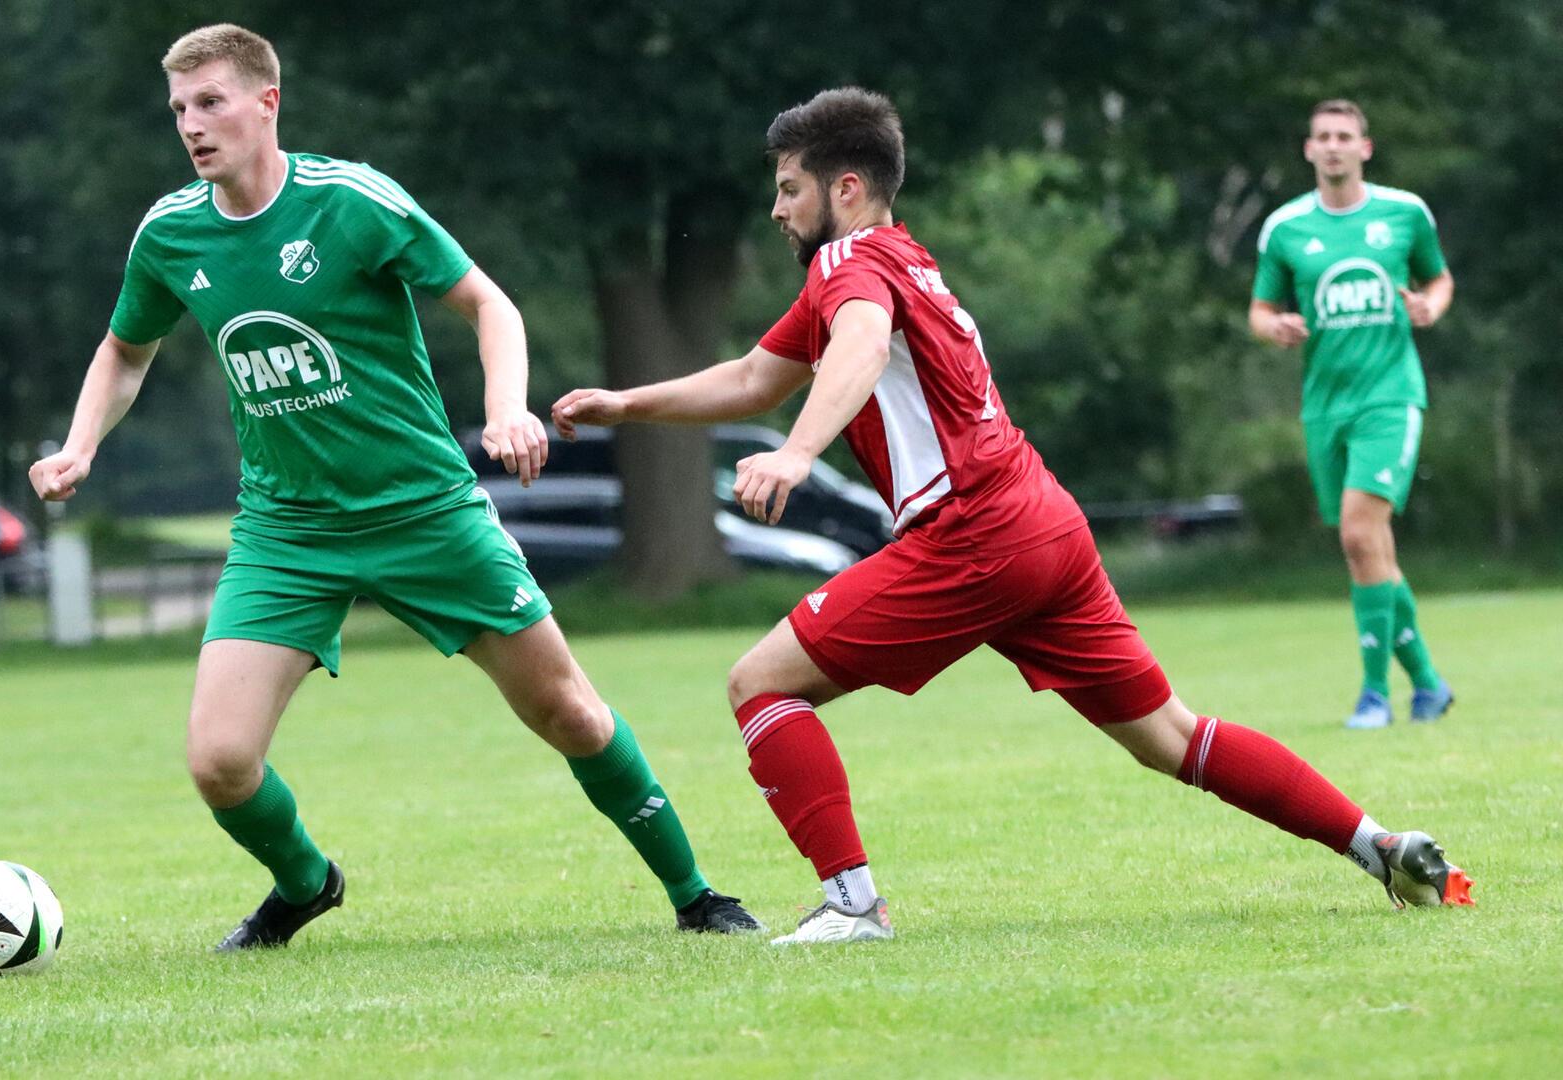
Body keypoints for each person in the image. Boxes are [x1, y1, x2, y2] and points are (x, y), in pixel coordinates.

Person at [552, 88, 1472, 944]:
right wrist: (629, 406)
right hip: (1045, 521)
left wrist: (797, 454)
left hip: (976, 534)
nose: (777, 210)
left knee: (761, 685)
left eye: (790, 189)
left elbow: (863, 345)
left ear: (847, 187)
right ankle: (1379, 845)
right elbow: (755, 377)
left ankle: (852, 904)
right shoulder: (897, 256)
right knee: (1172, 738)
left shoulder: (847, 262)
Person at [28, 23, 758, 949]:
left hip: (424, 510)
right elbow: (125, 351)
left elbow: (488, 303)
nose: (191, 125)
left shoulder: (351, 202)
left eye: (210, 102)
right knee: (219, 761)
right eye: (179, 109)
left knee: (567, 709)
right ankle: (306, 883)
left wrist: (506, 408)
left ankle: (697, 898)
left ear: (267, 103)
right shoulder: (171, 232)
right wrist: (82, 444)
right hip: (285, 529)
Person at [1248, 100, 1455, 730]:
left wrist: (1430, 308)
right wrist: (1274, 326)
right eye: (1323, 137)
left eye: (1345, 136)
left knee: (1361, 537)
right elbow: (1258, 310)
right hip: (1324, 406)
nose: (1334, 146)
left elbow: (1439, 281)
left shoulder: (1404, 214)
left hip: (1390, 397)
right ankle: (1427, 682)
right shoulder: (1285, 229)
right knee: (1370, 552)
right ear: (1308, 150)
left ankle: (1374, 696)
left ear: (1366, 147)